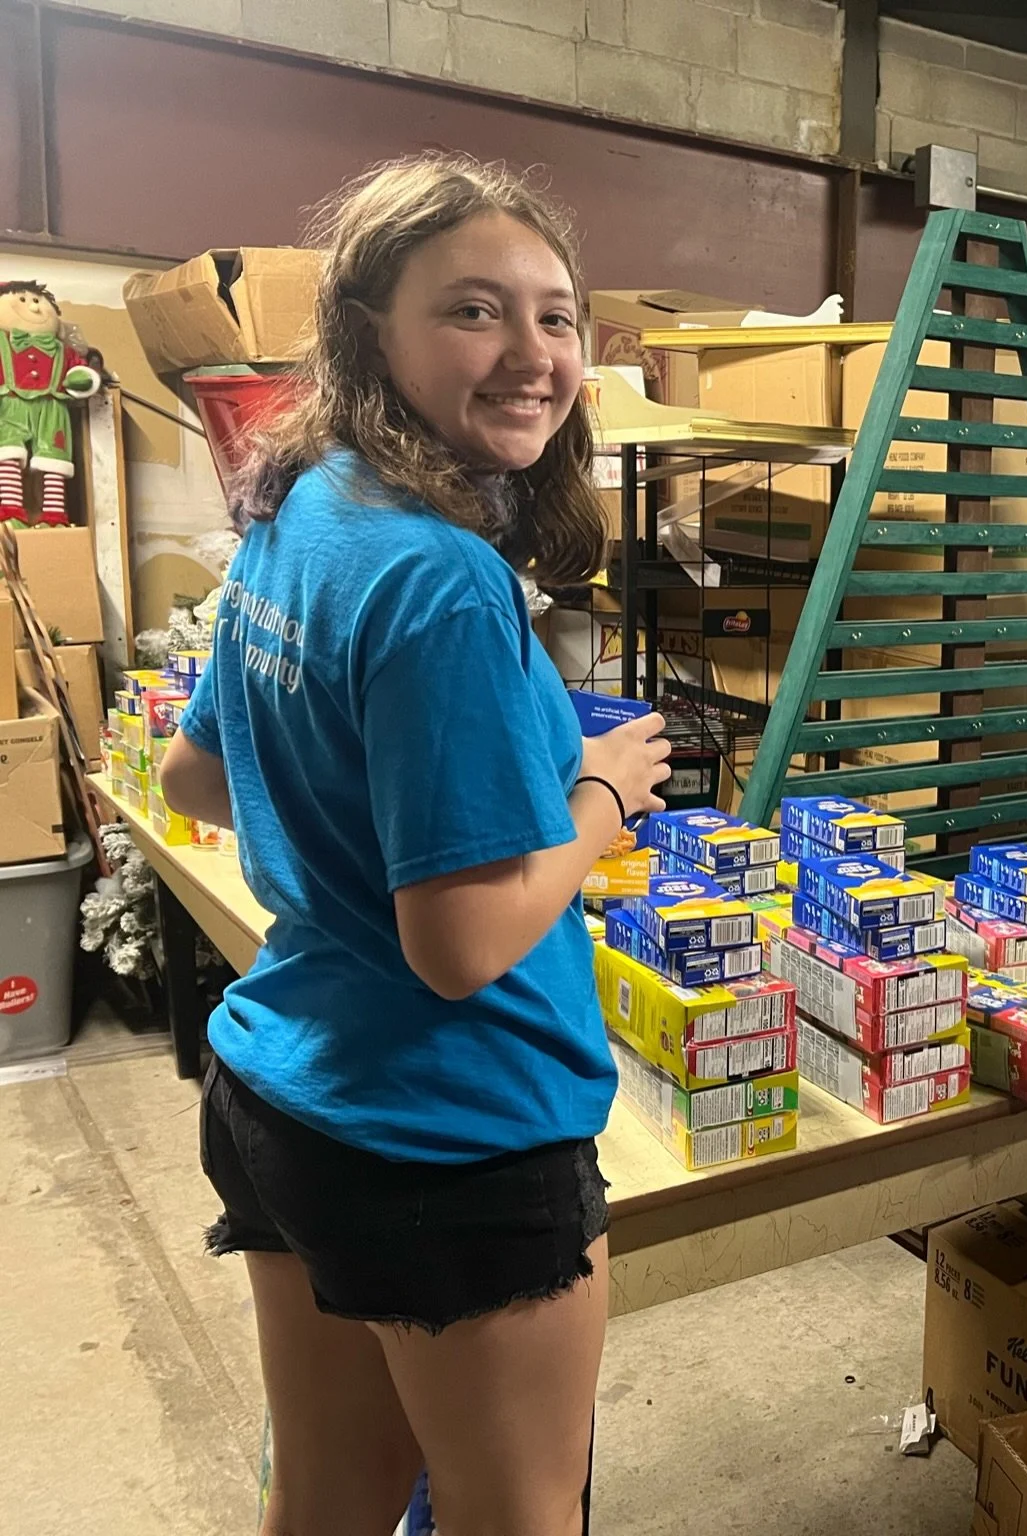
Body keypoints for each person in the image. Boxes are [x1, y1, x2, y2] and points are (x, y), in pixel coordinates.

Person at [158, 154, 669, 1536]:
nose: (531, 355)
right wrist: (600, 800)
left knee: (328, 1502)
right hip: (452, 1134)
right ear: (369, 327)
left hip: (284, 1092)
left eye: (556, 316)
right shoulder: (439, 578)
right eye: (475, 312)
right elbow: (461, 946)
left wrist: (365, 808)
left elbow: (193, 770)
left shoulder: (302, 499)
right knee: (518, 1515)